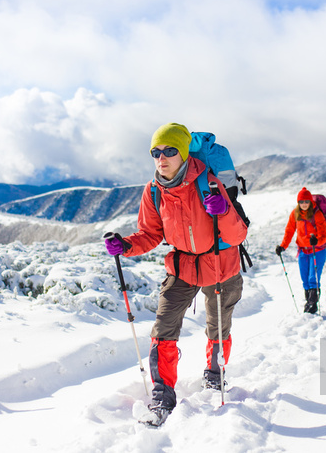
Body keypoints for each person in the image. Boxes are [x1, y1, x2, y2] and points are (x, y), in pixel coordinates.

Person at [104, 123, 248, 425]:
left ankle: (214, 374)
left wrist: (222, 210)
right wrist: (126, 245)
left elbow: (236, 234)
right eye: (155, 152)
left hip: (221, 263)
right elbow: (150, 233)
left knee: (218, 327)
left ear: (183, 154)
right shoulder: (154, 191)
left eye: (170, 151)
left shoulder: (208, 182)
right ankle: (162, 393)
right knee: (164, 328)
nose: (161, 157)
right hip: (182, 266)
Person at [275, 187, 326, 314]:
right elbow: (289, 231)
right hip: (303, 251)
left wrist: (317, 241)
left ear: (310, 202)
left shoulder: (317, 214)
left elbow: (324, 235)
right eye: (301, 202)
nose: (304, 204)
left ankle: (313, 304)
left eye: (306, 201)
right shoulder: (295, 213)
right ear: (298, 202)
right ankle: (309, 302)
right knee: (305, 278)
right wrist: (283, 246)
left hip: (317, 251)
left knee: (312, 278)